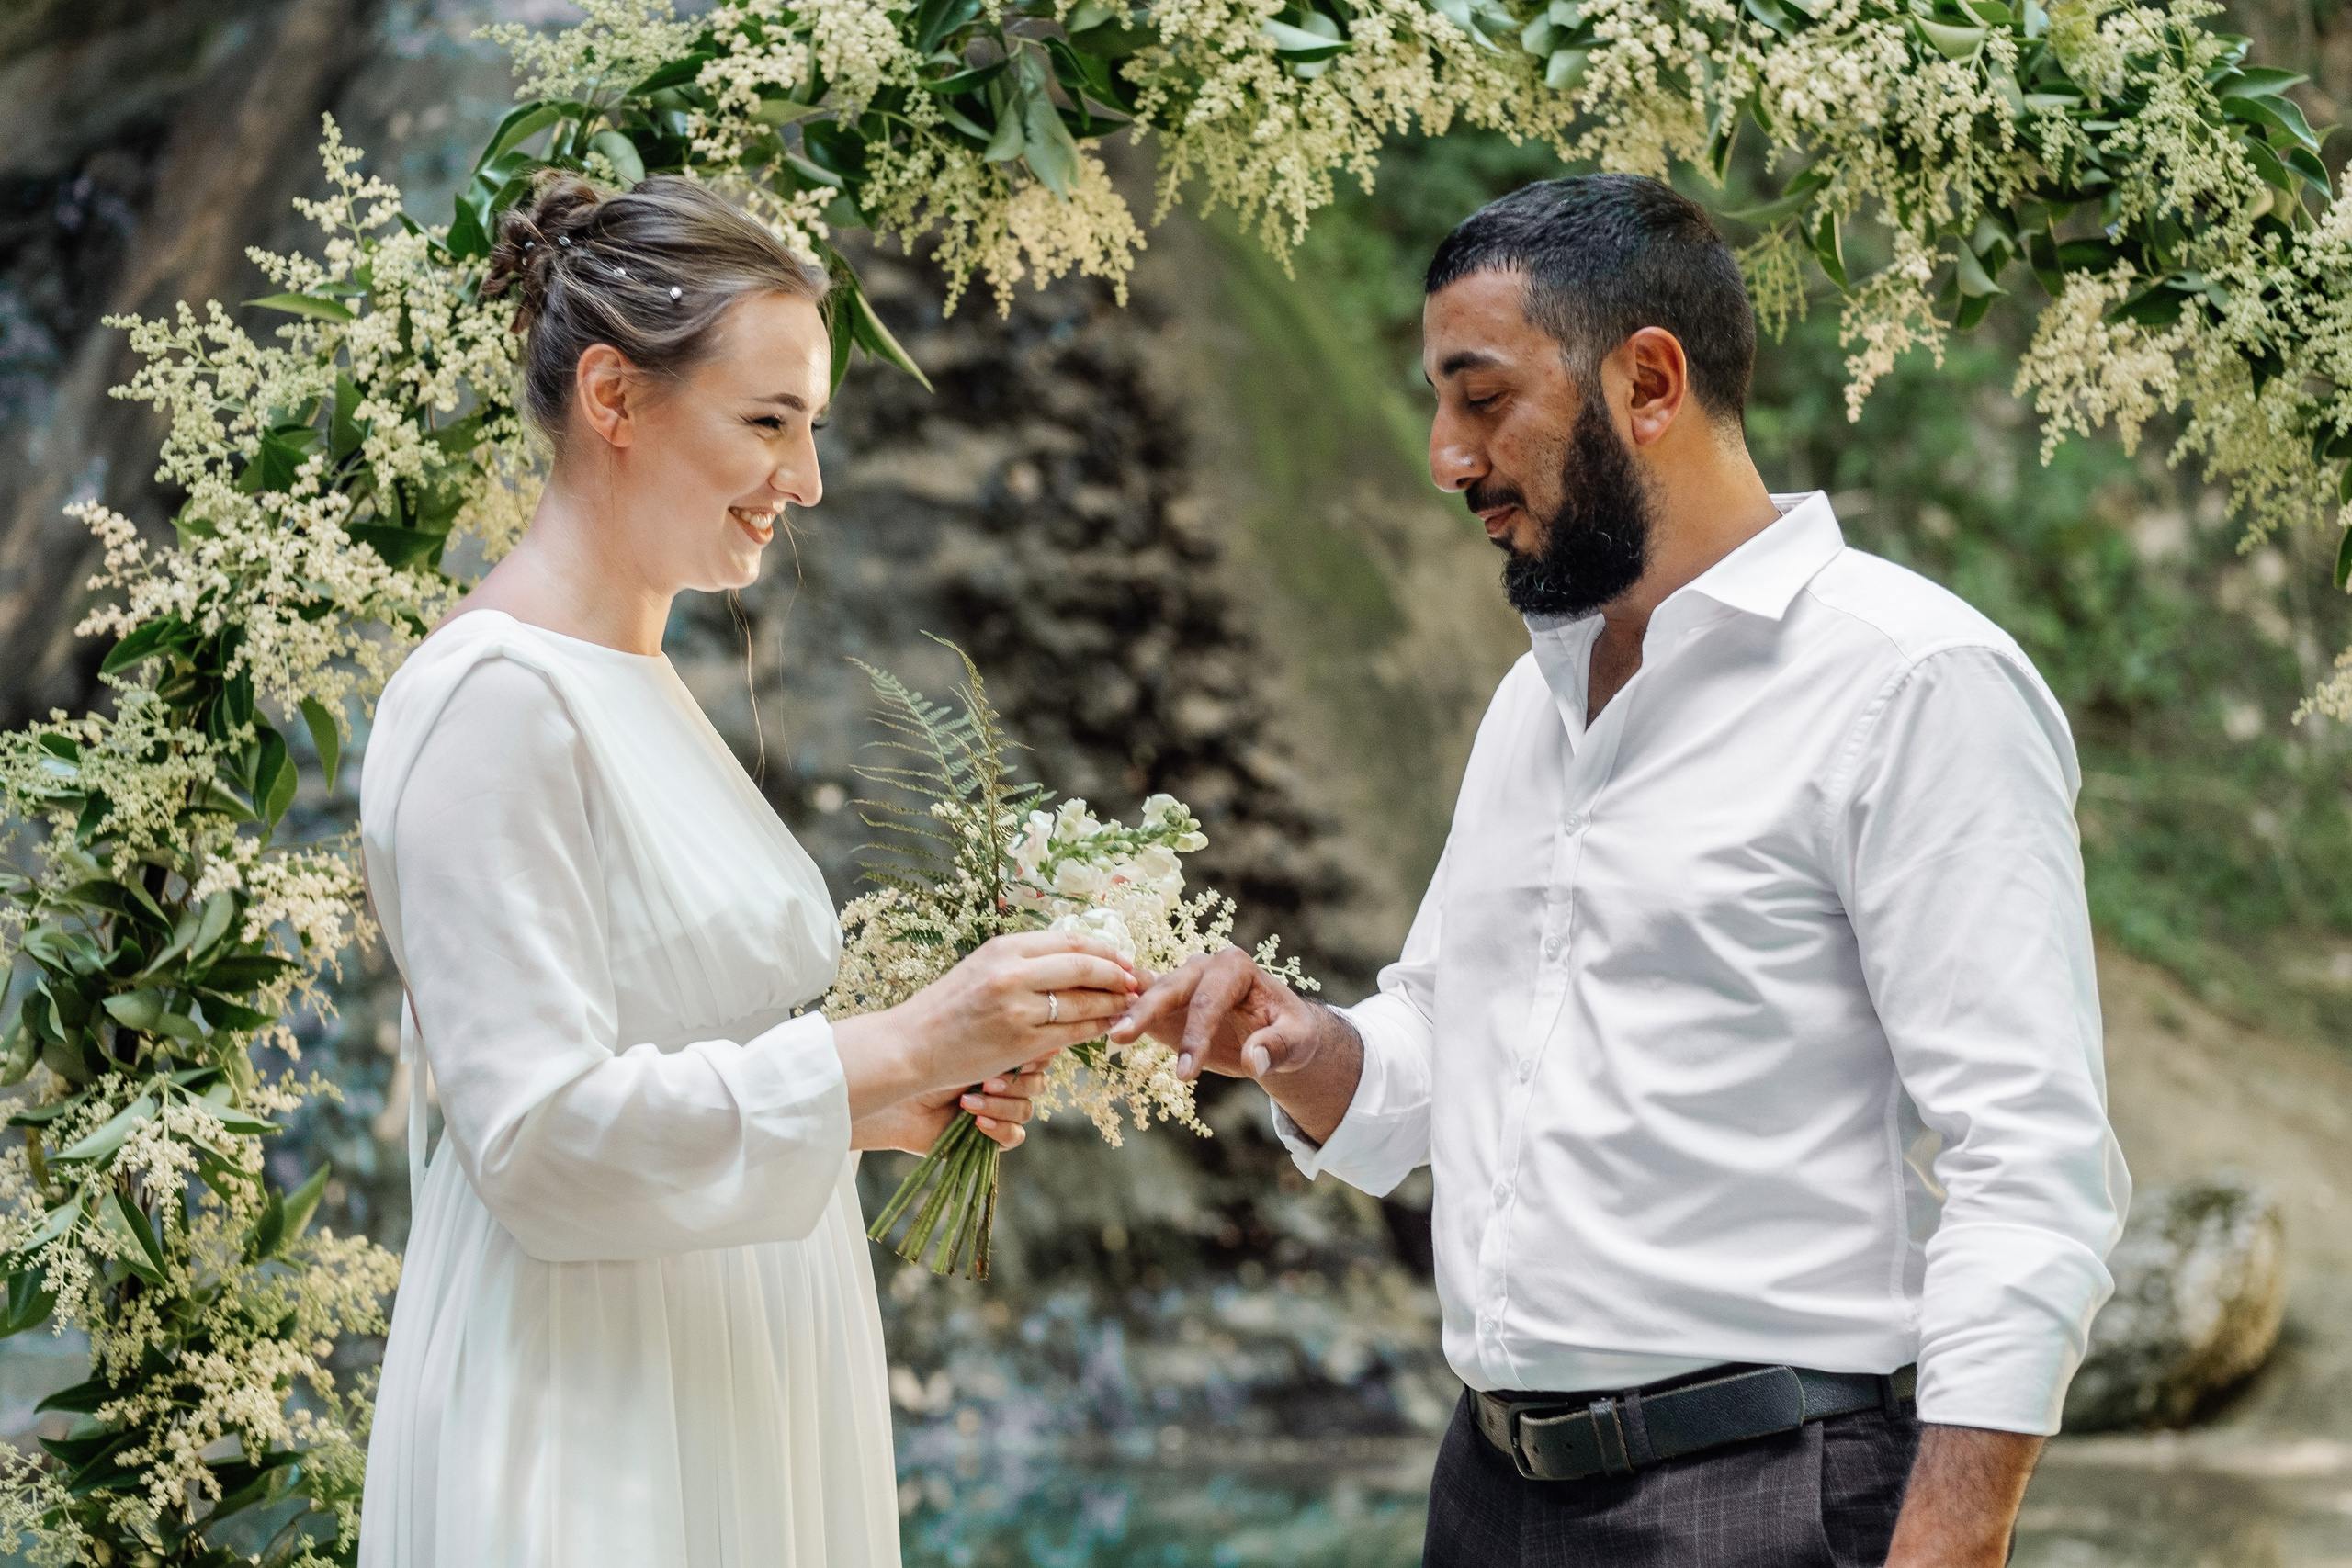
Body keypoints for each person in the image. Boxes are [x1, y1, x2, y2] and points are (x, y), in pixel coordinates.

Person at [1112, 174, 2130, 1567]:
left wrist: (1948, 1552)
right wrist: (1297, 1046)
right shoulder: (1536, 702)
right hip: (1488, 1491)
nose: (1444, 457)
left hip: (1769, 1499)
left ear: (1648, 380)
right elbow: (1452, 1042)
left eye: (1481, 400)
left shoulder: (1915, 683)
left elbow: (2030, 1161)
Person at [356, 173, 1136, 1568]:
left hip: (734, 1371)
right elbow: (536, 1143)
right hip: (595, 1416)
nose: (808, 480)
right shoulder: (495, 700)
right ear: (614, 396)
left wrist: (893, 1102)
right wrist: (901, 1037)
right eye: (767, 423)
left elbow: (680, 1049)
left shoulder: (640, 681)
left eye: (812, 427)